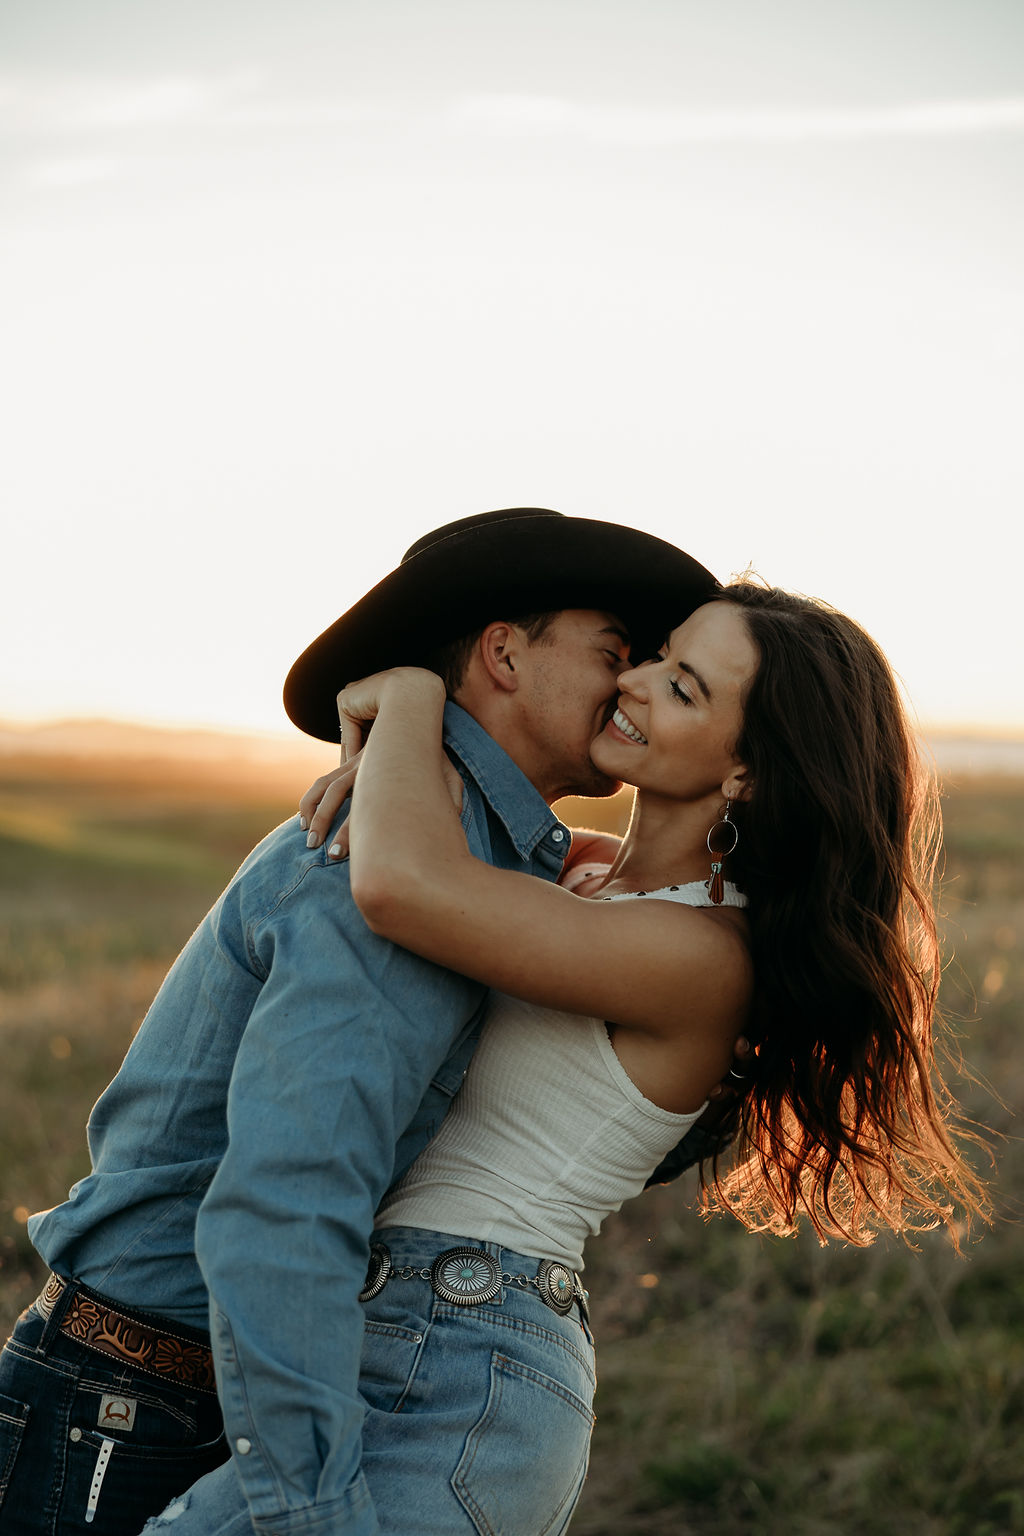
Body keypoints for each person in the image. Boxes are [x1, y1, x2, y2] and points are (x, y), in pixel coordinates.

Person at [161, 578, 989, 1535]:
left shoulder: (704, 957)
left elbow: (406, 886)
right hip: (395, 1335)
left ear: (746, 775)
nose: (634, 682)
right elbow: (434, 853)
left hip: (464, 1359)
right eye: (654, 656)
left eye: (683, 689)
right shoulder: (585, 874)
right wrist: (399, 777)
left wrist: (413, 703)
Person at [0, 508, 731, 1536]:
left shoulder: (490, 865)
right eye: (614, 653)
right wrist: (309, 1503)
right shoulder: (372, 857)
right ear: (504, 654)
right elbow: (289, 1200)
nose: (630, 682)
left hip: (233, 1389)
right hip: (129, 1404)